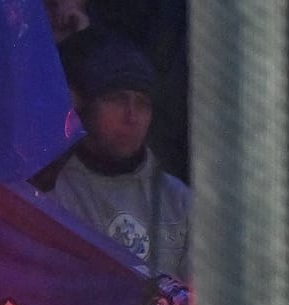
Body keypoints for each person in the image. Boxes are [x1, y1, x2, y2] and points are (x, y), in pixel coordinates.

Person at [41, 32, 191, 281]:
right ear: (84, 106)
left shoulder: (180, 202)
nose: (132, 117)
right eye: (116, 99)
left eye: (142, 103)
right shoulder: (53, 190)